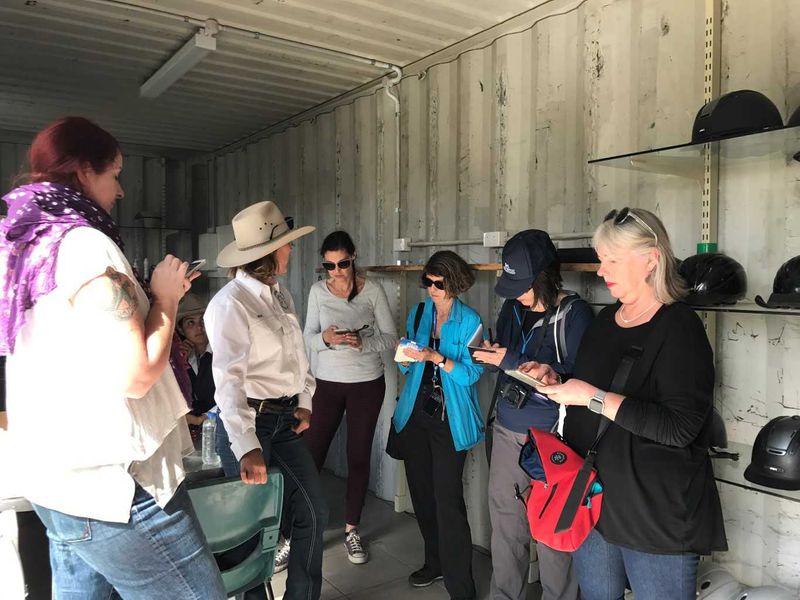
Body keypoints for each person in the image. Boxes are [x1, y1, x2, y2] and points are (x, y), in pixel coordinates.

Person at [0, 116, 224, 599]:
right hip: (118, 489)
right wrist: (164, 298)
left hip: (57, 482)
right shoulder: (84, 243)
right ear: (83, 171)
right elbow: (136, 375)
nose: (120, 190)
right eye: (115, 173)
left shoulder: (27, 245)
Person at [527, 207, 727, 600]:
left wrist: (592, 397)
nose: (602, 271)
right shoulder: (605, 323)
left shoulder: (680, 328)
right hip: (593, 500)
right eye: (602, 260)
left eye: (613, 260)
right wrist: (559, 381)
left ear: (651, 259)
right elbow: (593, 393)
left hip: (654, 515)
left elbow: (679, 427)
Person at [205, 200, 328, 600]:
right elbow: (228, 383)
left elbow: (297, 357)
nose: (291, 249)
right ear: (269, 254)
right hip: (249, 426)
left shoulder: (280, 295)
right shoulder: (229, 304)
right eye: (287, 244)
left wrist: (305, 398)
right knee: (249, 533)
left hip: (285, 421)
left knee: (312, 512)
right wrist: (246, 447)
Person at [472, 230, 592, 600]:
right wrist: (491, 356)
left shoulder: (575, 314)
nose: (517, 293)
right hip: (509, 432)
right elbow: (508, 360)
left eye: (523, 284)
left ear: (544, 276)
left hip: (554, 443)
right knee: (507, 533)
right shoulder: (512, 308)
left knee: (556, 537)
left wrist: (509, 360)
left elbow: (580, 380)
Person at [393, 250, 484, 600]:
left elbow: (472, 373)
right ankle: (434, 562)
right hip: (416, 415)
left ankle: (461, 586)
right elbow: (406, 366)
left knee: (447, 500)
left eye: (438, 283)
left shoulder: (470, 321)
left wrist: (438, 358)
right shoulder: (419, 314)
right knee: (422, 495)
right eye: (427, 282)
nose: (431, 288)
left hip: (450, 420)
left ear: (454, 282)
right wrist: (405, 357)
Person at [302, 230, 397, 564]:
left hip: (366, 383)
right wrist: (326, 339)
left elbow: (390, 337)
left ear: (353, 257)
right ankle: (298, 530)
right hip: (326, 383)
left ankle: (351, 530)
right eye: (329, 265)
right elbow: (306, 338)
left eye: (342, 263)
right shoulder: (317, 292)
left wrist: (363, 343)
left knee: (358, 456)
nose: (336, 271)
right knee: (310, 455)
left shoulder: (373, 291)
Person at [176, 293, 214, 444]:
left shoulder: (222, 353)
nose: (199, 328)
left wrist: (205, 418)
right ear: (182, 330)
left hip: (221, 430)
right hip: (196, 435)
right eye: (190, 323)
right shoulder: (188, 359)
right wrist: (179, 365)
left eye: (203, 321)